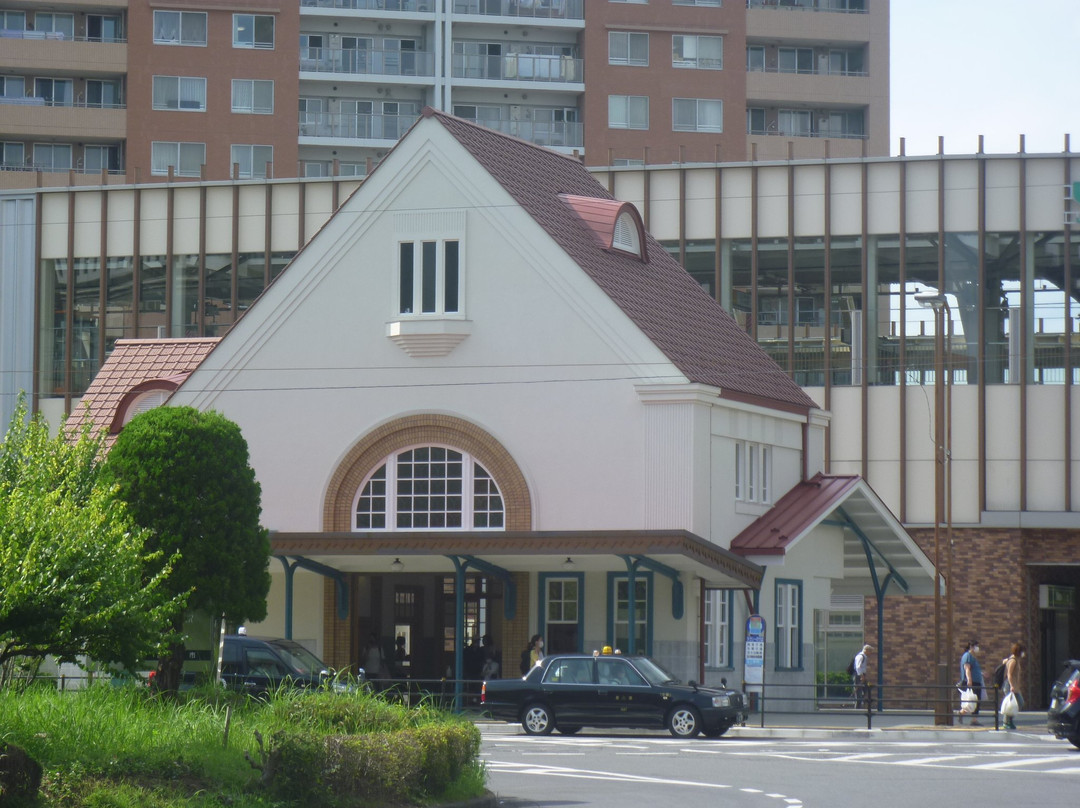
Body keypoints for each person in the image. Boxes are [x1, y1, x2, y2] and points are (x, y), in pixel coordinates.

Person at [959, 640, 984, 725]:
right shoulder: (968, 656)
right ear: (972, 647)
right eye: (976, 646)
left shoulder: (972, 656)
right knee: (974, 700)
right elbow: (967, 668)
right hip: (972, 682)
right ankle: (973, 719)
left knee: (972, 700)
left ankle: (962, 713)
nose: (977, 648)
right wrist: (969, 680)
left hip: (976, 681)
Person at [1002, 642, 1025, 730]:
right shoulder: (1013, 660)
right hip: (1010, 685)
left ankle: (1009, 721)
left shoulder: (1013, 659)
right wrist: (1012, 685)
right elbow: (1009, 674)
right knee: (1012, 703)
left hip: (1014, 685)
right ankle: (1007, 722)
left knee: (1015, 703)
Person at [853, 644, 871, 709]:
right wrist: (861, 676)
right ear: (866, 650)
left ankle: (861, 702)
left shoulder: (864, 656)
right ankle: (858, 707)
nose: (870, 653)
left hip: (862, 675)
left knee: (866, 688)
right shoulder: (860, 656)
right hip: (859, 675)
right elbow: (858, 667)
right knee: (858, 691)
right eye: (870, 651)